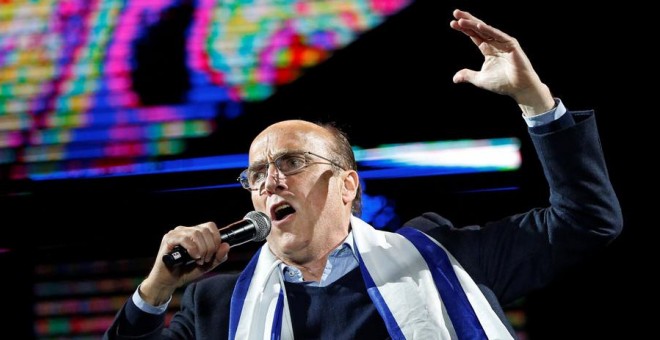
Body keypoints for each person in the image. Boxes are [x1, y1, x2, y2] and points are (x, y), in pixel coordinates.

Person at [104, 8, 623, 339]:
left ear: (347, 185)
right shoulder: (215, 308)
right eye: (256, 174)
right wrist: (156, 287)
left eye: (291, 162)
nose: (269, 182)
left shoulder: (442, 260)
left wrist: (535, 101)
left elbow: (587, 221)